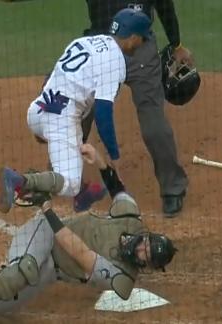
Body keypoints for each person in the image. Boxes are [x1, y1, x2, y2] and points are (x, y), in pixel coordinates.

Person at [0, 144, 178, 323]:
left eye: (147, 257)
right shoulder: (130, 218)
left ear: (148, 266)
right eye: (146, 244)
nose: (142, 251)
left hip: (52, 264)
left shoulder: (123, 280)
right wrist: (99, 159)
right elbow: (116, 186)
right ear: (146, 236)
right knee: (24, 267)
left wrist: (47, 207)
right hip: (43, 233)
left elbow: (80, 252)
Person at [0, 8, 153, 215]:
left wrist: (43, 126)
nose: (142, 43)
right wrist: (115, 159)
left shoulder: (84, 42)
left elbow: (51, 77)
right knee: (70, 184)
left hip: (38, 109)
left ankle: (82, 194)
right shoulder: (115, 62)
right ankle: (21, 182)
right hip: (60, 119)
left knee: (80, 118)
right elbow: (103, 115)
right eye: (142, 38)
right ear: (132, 38)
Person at [82, 0, 195, 215]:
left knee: (80, 108)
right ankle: (173, 191)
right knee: (150, 115)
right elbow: (165, 7)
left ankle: (56, 177)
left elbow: (164, 5)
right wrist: (176, 44)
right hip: (120, 47)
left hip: (112, 48)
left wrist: (177, 43)